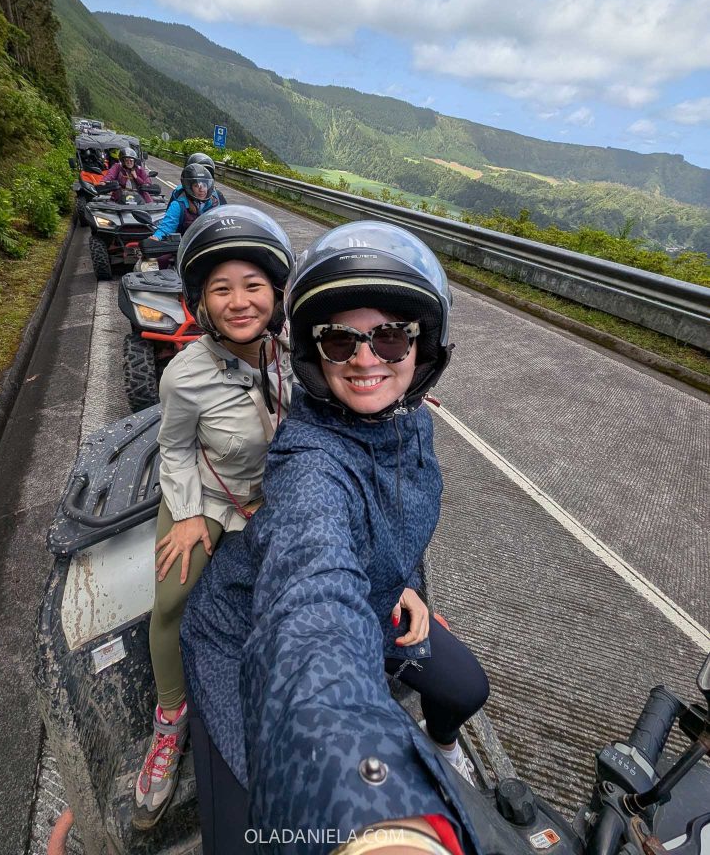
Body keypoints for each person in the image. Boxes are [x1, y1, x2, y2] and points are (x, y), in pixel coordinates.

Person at [180, 221, 490, 855]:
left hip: (374, 603)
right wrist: (365, 798)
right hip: (248, 639)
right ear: (314, 357)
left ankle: (439, 752)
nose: (367, 358)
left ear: (422, 347)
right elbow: (310, 583)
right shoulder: (310, 463)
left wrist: (406, 581)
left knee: (465, 689)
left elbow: (398, 519)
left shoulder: (411, 428)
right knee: (251, 836)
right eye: (340, 339)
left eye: (391, 336)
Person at [133, 204, 295, 830]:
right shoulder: (185, 374)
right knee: (172, 600)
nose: (239, 301)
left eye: (252, 286)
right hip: (209, 495)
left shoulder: (296, 358)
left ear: (275, 293)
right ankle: (169, 721)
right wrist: (190, 513)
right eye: (221, 288)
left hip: (275, 494)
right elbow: (173, 446)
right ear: (201, 301)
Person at [149, 163, 226, 243]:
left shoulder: (214, 203)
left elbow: (222, 224)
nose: (202, 189)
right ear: (189, 187)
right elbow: (167, 226)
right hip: (185, 246)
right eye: (197, 186)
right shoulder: (179, 205)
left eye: (204, 185)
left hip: (207, 244)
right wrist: (157, 237)